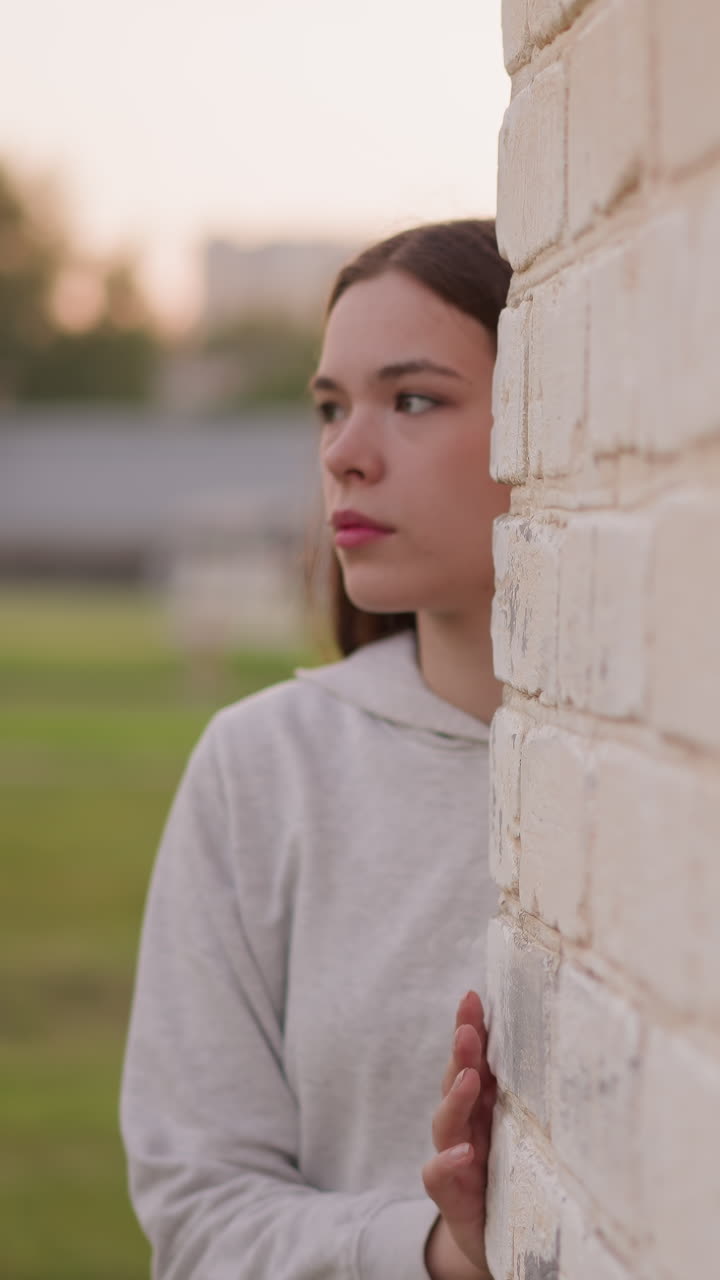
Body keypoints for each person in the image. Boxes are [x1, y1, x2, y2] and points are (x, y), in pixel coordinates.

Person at [120, 218, 512, 1279]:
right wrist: (434, 1248)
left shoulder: (668, 773)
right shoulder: (261, 767)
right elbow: (196, 1213)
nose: (343, 452)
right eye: (331, 407)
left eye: (414, 398)